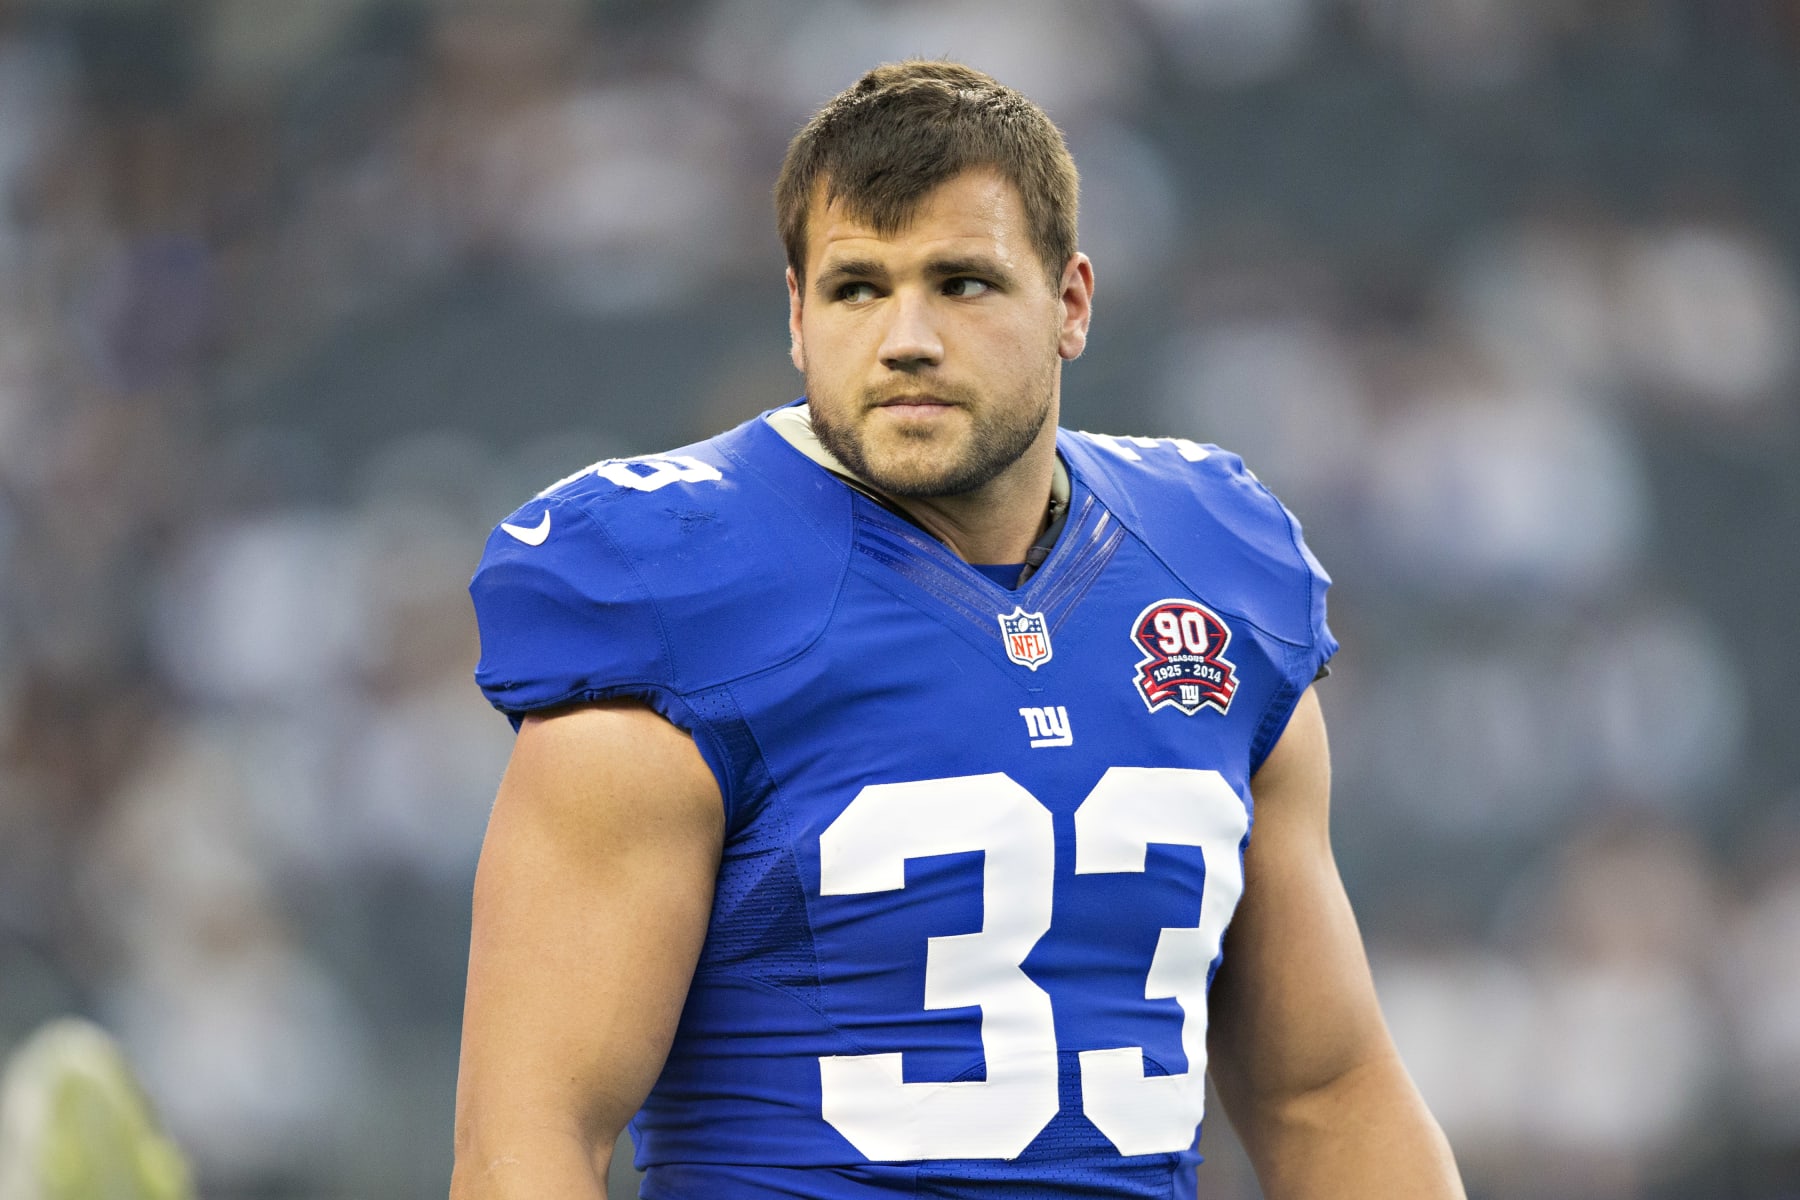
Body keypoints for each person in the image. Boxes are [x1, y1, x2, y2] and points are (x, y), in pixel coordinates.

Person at [451, 60, 1464, 1200]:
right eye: (856, 289)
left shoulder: (1214, 570)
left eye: (962, 283)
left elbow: (1324, 1093)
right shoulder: (674, 591)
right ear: (794, 313)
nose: (906, 339)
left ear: (1071, 303)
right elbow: (527, 1140)